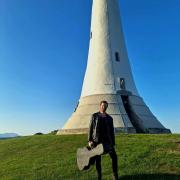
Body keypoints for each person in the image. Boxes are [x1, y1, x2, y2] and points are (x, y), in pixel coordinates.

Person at [88, 100, 119, 180]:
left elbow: (112, 131)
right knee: (98, 160)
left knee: (114, 157)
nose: (104, 107)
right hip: (97, 141)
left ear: (107, 107)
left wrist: (113, 143)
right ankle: (99, 177)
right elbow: (90, 129)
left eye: (105, 106)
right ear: (100, 106)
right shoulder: (94, 116)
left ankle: (115, 175)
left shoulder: (110, 118)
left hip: (108, 141)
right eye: (102, 105)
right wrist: (90, 140)